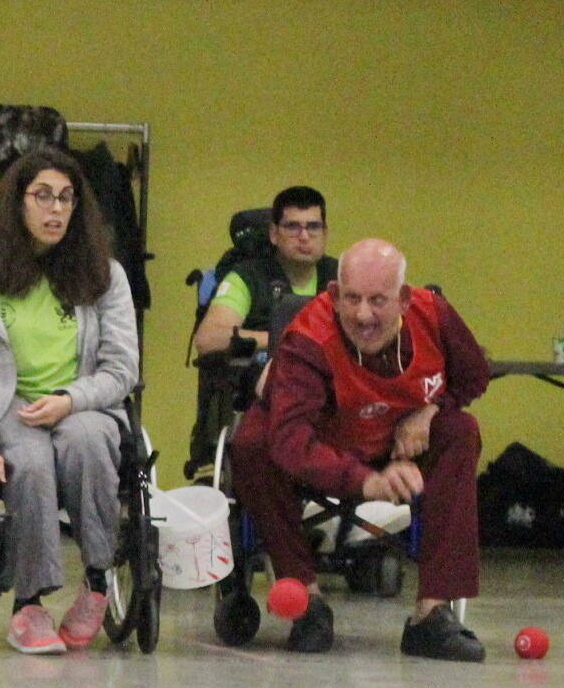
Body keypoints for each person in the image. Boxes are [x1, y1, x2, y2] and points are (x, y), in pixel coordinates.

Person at [227, 239, 491, 661]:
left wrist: (430, 410)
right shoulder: (307, 338)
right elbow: (291, 439)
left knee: (460, 431)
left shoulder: (434, 315)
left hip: (397, 434)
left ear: (404, 299)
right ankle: (307, 602)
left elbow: (474, 375)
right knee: (253, 445)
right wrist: (366, 480)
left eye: (378, 301)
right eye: (351, 299)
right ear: (333, 295)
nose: (363, 314)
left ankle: (432, 613)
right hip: (324, 438)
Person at [0, 146, 139, 655]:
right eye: (42, 196)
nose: (56, 209)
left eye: (66, 198)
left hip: (83, 406)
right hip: (8, 409)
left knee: (89, 442)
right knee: (29, 461)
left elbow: (122, 369)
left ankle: (96, 584)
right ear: (17, 204)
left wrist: (70, 399)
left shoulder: (105, 277)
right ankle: (29, 602)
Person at [193, 185, 336, 359]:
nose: (304, 236)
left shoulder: (340, 275)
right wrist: (287, 340)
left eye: (313, 227)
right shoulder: (247, 277)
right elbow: (208, 339)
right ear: (274, 234)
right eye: (292, 226)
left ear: (325, 234)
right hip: (260, 380)